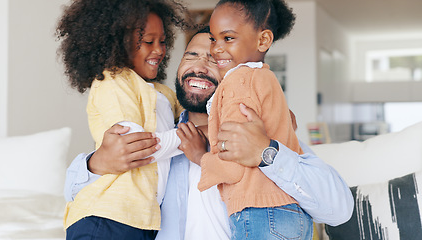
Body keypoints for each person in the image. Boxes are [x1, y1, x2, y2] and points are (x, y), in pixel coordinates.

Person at [65, 27, 354, 239]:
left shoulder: (261, 133)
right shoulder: (157, 134)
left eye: (216, 59)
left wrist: (266, 153)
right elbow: (74, 194)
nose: (201, 66)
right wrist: (96, 163)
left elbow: (338, 210)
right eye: (191, 55)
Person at [180, 0, 314, 239]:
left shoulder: (238, 84)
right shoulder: (263, 78)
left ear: (263, 40)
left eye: (228, 38)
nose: (216, 49)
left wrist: (200, 156)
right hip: (288, 213)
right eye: (214, 38)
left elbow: (233, 168)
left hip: (261, 214)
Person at [56, 0, 189, 239]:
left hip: (143, 222)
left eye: (163, 41)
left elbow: (197, 118)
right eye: (148, 41)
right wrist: (191, 136)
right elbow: (134, 147)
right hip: (106, 217)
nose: (159, 50)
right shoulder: (113, 80)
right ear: (117, 42)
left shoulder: (164, 93)